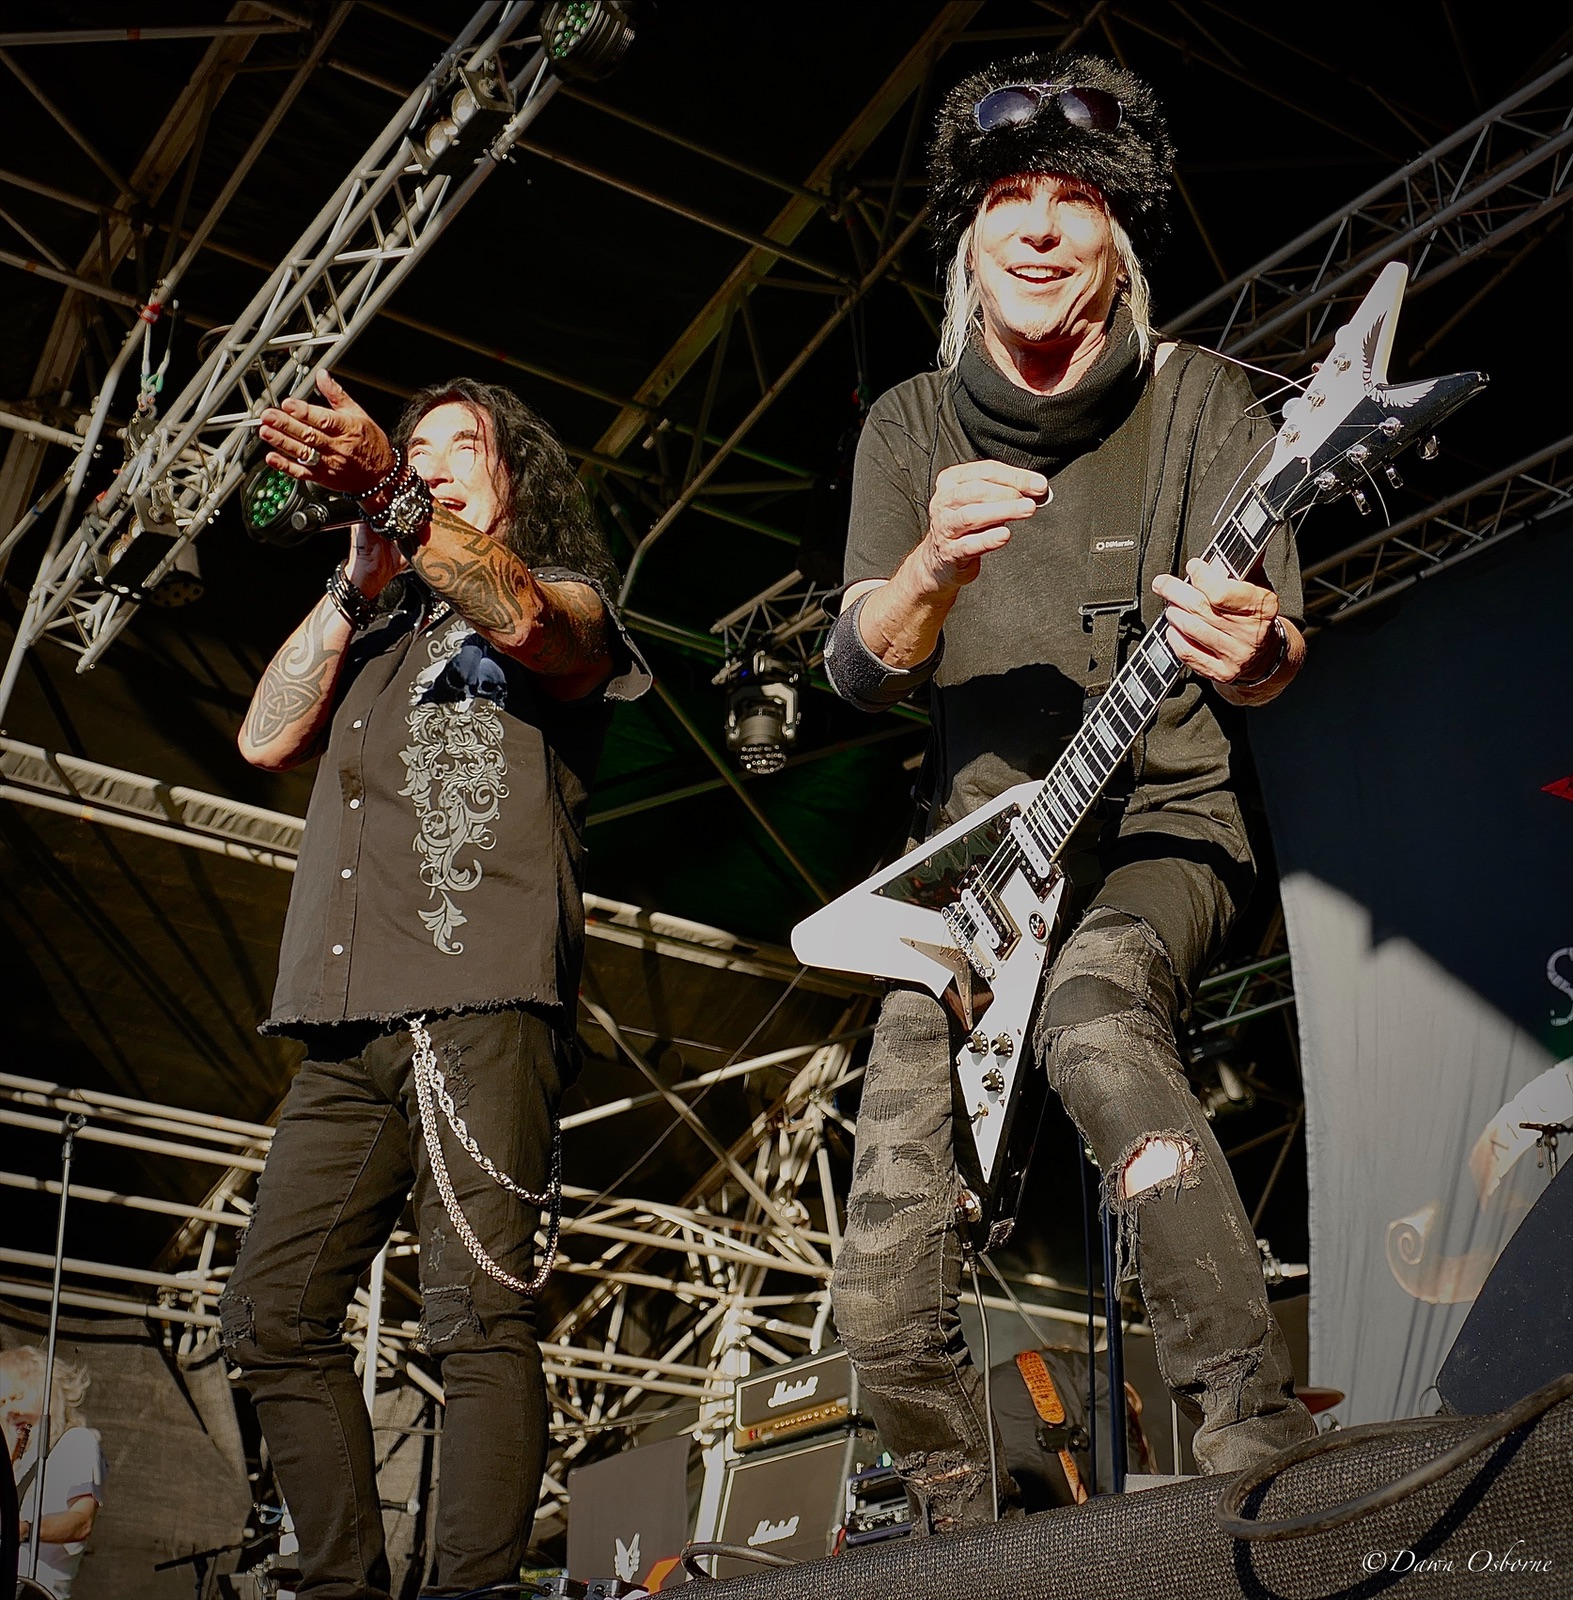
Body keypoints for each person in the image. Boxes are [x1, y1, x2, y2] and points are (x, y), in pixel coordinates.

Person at [823, 53, 1317, 1533]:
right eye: (1009, 201)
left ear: (1118, 241)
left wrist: (1254, 651)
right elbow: (860, 669)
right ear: (968, 239)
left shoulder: (1202, 401)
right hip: (976, 877)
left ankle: (1258, 1452)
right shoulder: (910, 424)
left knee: (1096, 1019)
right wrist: (929, 568)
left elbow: (1274, 652)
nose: (1039, 228)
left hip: (1164, 826)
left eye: (1075, 203)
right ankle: (952, 1532)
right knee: (883, 1264)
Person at [219, 374, 649, 1597]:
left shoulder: (567, 601)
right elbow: (261, 738)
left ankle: (471, 1587)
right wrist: (355, 580)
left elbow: (532, 624)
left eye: (466, 446)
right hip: (342, 1017)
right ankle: (340, 1584)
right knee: (271, 1315)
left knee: (474, 1315)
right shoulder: (373, 625)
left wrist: (393, 495)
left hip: (481, 998)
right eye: (416, 449)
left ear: (515, 482)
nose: (436, 461)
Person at [0, 1346, 104, 1598]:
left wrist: (24, 1529)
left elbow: (82, 1521)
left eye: (17, 1397)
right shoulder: (16, 1461)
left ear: (45, 1394)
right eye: (2, 1402)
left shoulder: (76, 1443)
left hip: (34, 1593)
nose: (8, 1411)